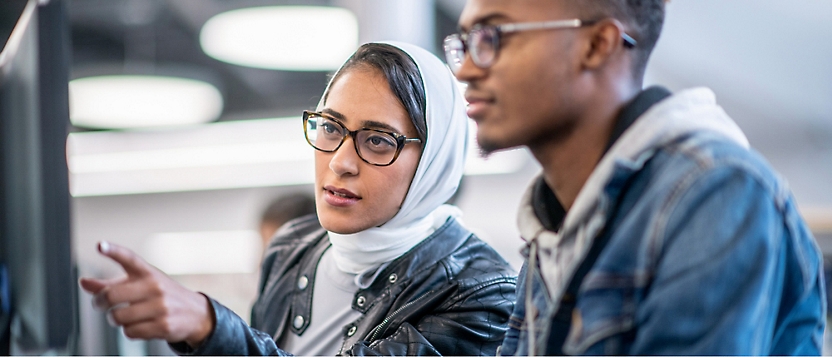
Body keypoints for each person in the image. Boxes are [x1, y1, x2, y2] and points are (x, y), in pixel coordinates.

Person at [79, 42, 517, 356]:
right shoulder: (293, 246)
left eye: (378, 140)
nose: (341, 162)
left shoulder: (483, 294)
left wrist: (212, 327)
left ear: (433, 161)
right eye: (330, 127)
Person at [445, 0, 825, 355]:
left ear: (597, 45)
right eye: (465, 43)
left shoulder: (714, 192)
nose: (465, 69)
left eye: (493, 36)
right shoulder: (556, 219)